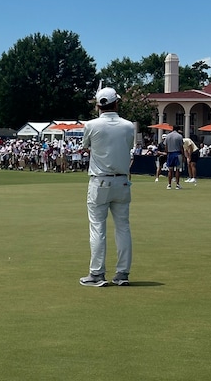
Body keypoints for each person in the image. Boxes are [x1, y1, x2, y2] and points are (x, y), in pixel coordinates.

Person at [80, 87, 134, 287]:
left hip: (99, 181)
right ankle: (122, 273)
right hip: (121, 181)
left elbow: (86, 146)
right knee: (123, 228)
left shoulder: (91, 125)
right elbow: (127, 146)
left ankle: (97, 273)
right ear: (116, 103)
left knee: (97, 229)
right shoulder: (129, 126)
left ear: (98, 105)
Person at [165, 125, 183, 190]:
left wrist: (167, 153)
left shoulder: (168, 136)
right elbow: (181, 147)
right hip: (177, 153)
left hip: (170, 154)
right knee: (177, 170)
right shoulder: (179, 136)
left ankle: (169, 184)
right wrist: (183, 155)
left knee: (170, 170)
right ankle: (177, 184)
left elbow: (166, 147)